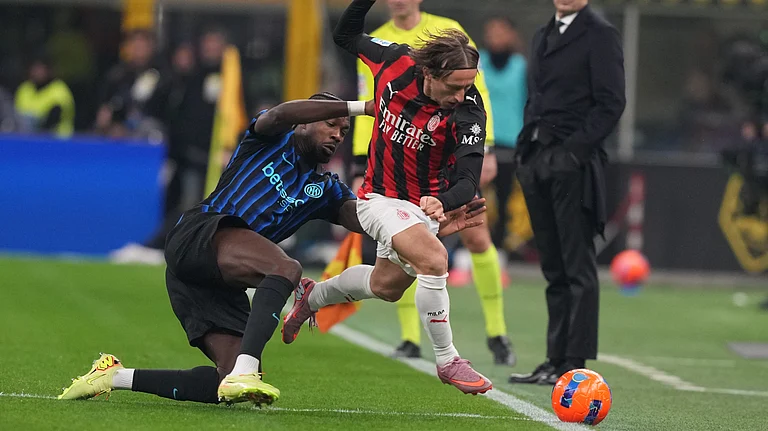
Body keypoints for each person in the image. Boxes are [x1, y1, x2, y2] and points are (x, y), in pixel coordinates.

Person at [58, 94, 486, 405]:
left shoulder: (325, 190)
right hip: (199, 236)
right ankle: (250, 364)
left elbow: (379, 227)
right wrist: (357, 107)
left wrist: (432, 226)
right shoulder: (268, 138)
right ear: (307, 122)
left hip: (217, 280)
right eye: (332, 124)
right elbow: (282, 112)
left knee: (226, 385)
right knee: (286, 267)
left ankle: (114, 376)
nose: (338, 133)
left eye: (344, 130)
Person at [282, 0, 493, 395]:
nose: (463, 95)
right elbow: (345, 34)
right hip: (377, 196)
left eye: (469, 85)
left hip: (421, 206)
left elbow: (468, 181)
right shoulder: (394, 61)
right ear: (429, 73)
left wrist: (442, 201)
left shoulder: (469, 111)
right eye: (455, 87)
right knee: (434, 259)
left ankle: (313, 295)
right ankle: (448, 361)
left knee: (386, 286)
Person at [346, 0, 515, 366]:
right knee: (406, 247)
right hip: (390, 160)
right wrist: (362, 160)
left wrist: (484, 147)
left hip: (449, 154)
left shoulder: (448, 32)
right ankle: (410, 337)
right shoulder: (383, 43)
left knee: (474, 234)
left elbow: (473, 93)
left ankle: (497, 332)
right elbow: (374, 101)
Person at [508, 0, 625, 385]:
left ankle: (574, 364)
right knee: (553, 268)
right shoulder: (543, 34)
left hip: (571, 164)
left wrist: (572, 152)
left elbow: (611, 103)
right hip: (537, 159)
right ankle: (554, 360)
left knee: (577, 267)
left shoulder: (600, 34)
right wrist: (529, 150)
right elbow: (536, 97)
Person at [480, 17, 528, 250]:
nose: (496, 37)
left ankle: (499, 248)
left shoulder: (522, 66)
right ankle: (467, 248)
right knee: (472, 196)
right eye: (492, 32)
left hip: (510, 142)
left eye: (501, 32)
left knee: (504, 197)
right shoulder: (476, 62)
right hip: (480, 139)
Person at [95, 30, 162, 138]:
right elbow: (108, 104)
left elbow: (160, 109)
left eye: (142, 46)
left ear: (150, 47)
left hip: (148, 130)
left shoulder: (161, 75)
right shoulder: (118, 74)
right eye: (135, 45)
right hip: (119, 130)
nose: (138, 50)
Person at [14, 54, 75, 138]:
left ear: (48, 70)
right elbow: (16, 115)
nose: (37, 72)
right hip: (27, 138)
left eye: (41, 68)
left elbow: (53, 119)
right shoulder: (25, 88)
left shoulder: (59, 89)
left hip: (56, 140)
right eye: (35, 68)